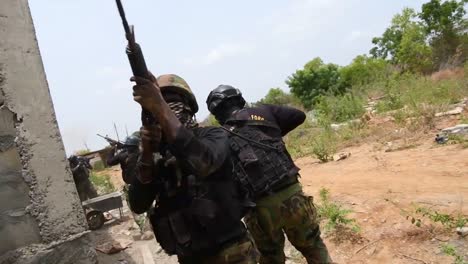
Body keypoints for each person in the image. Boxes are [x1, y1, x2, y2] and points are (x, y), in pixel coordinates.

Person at [129, 73, 256, 264]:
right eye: (161, 103)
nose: (167, 108)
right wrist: (146, 154)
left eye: (172, 102)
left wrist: (160, 108)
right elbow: (138, 204)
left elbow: (204, 162)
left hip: (232, 252)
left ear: (189, 106)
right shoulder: (156, 156)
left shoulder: (212, 135)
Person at [206, 85, 332, 264]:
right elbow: (299, 116)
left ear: (217, 114)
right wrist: (272, 131)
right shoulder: (263, 113)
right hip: (292, 195)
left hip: (259, 210)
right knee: (313, 246)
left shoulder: (219, 137)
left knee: (271, 258)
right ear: (239, 99)